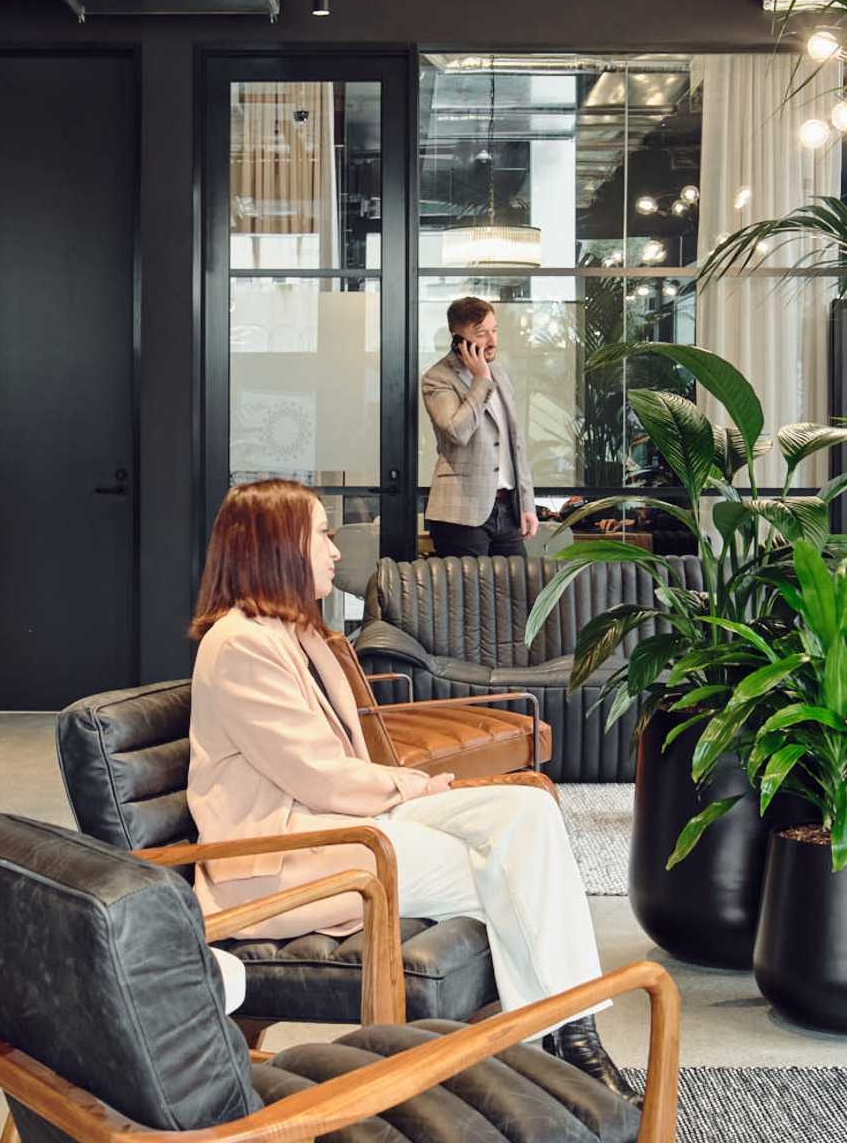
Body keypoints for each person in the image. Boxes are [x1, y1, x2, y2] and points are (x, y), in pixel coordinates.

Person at [187, 476, 628, 1090]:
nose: (335, 551)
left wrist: (408, 786)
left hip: (338, 823)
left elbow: (332, 770)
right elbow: (318, 777)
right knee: (510, 869)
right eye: (322, 536)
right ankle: (565, 1044)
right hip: (289, 851)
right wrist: (412, 787)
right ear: (279, 547)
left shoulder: (296, 633)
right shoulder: (241, 646)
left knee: (527, 814)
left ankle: (563, 1035)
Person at [418, 295, 536, 559]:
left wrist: (526, 504)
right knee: (469, 588)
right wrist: (480, 380)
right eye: (481, 334)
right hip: (462, 513)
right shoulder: (437, 378)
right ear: (457, 339)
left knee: (519, 583)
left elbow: (515, 444)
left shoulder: (500, 373)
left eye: (494, 330)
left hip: (507, 510)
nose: (492, 341)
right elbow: (456, 432)